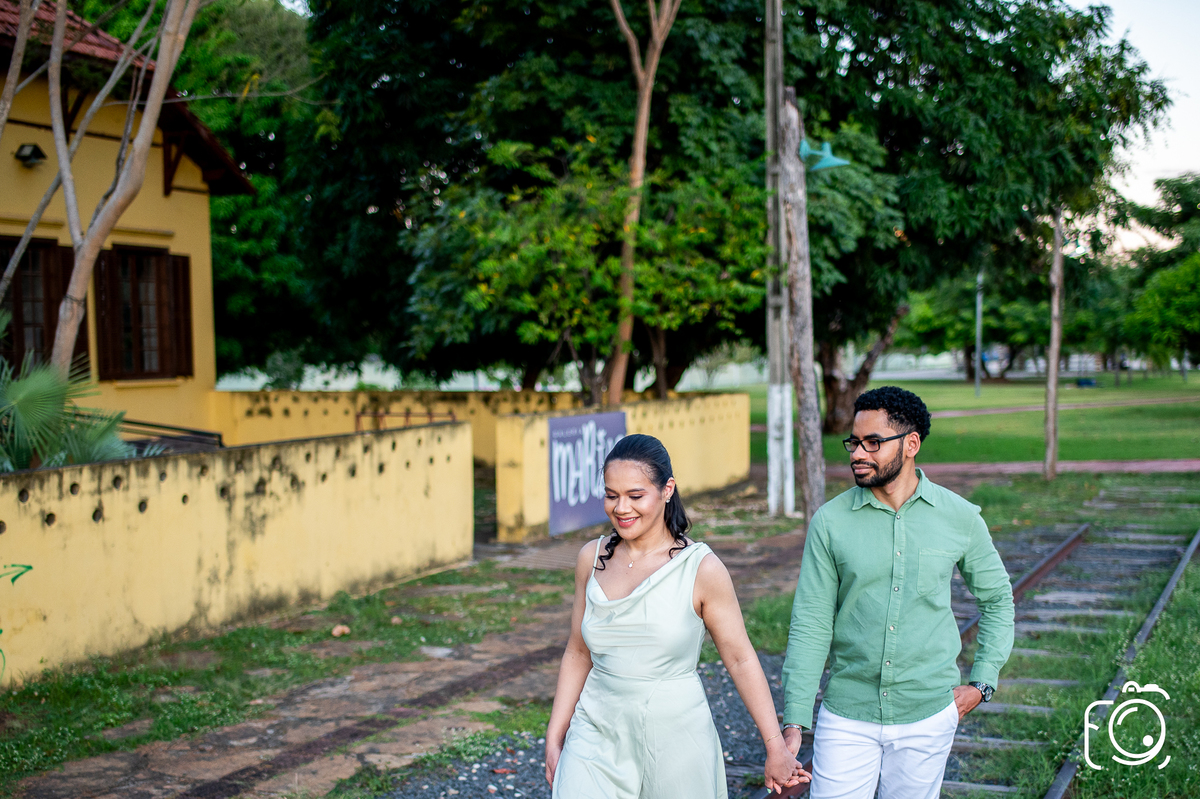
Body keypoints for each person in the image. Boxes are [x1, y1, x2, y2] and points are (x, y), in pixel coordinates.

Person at [780, 386, 1015, 799]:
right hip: (848, 713)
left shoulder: (959, 517)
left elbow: (997, 600)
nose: (857, 453)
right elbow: (812, 621)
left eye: (873, 443)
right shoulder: (830, 522)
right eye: (854, 442)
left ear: (911, 444)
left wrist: (982, 683)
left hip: (927, 713)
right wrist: (795, 721)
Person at [546, 433, 809, 798]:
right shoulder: (590, 558)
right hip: (596, 729)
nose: (621, 508)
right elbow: (577, 651)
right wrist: (555, 733)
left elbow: (740, 657)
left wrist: (774, 746)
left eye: (635, 496)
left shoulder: (702, 569)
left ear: (667, 489)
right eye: (611, 495)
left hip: (676, 736)